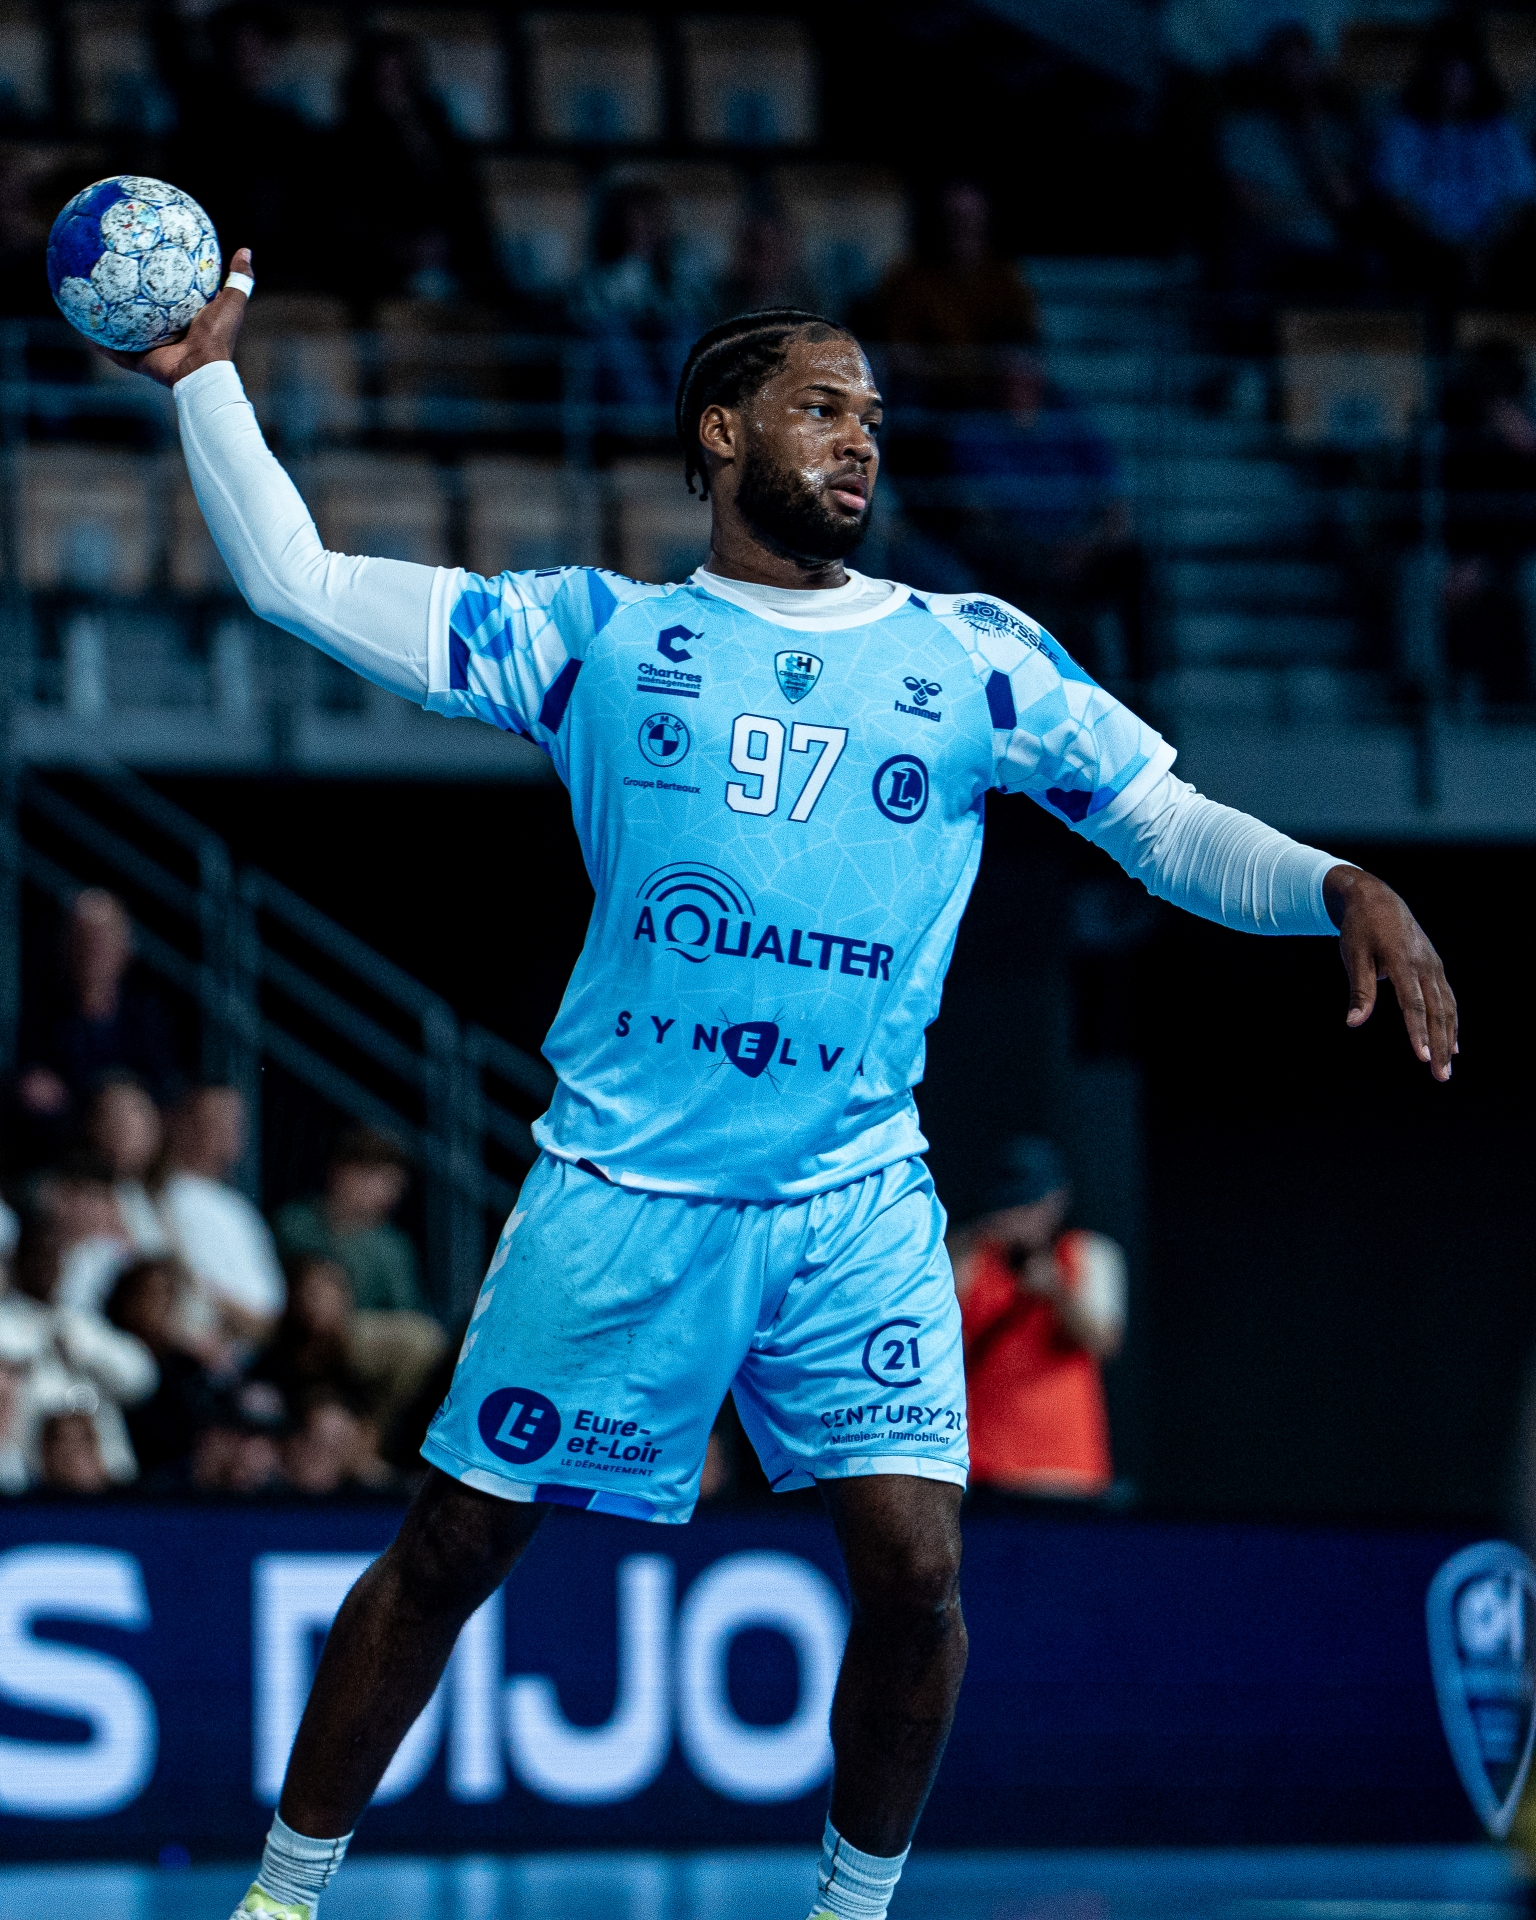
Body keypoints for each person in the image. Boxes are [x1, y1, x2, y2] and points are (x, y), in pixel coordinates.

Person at [116, 261, 1456, 1920]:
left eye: (872, 417)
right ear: (721, 429)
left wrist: (1335, 883)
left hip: (852, 1196)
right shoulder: (599, 637)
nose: (859, 441)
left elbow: (1162, 820)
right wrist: (206, 380)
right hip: (626, 1189)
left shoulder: (970, 655)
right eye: (822, 408)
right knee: (451, 1553)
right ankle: (281, 1897)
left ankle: (848, 1912)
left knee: (918, 1570)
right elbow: (300, 581)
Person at [950, 1138, 1124, 1497]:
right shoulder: (969, 1256)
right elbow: (939, 1351)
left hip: (1063, 1469)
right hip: (978, 1468)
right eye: (1009, 1205)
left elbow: (1104, 1342)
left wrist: (1056, 1293)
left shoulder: (1087, 1253)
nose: (1018, 1217)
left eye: (1030, 1204)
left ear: (1056, 1201)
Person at [1373, 18, 1536, 308]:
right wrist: (1450, 246)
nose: (1455, 85)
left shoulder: (1499, 128)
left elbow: (1521, 198)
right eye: (1448, 74)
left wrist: (1486, 246)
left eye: (1464, 76)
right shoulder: (1404, 128)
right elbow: (1398, 201)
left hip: (1496, 249)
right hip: (1428, 248)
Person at [15, 891, 181, 1145]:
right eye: (83, 939)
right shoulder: (43, 1013)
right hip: (69, 1137)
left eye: (103, 939)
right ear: (66, 946)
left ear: (124, 948)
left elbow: (164, 1087)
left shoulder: (147, 1014)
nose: (93, 950)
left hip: (136, 1134)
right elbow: (35, 1082)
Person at [1217, 24, 1364, 295]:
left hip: (1327, 251)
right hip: (1268, 248)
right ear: (1270, 71)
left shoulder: (1337, 131)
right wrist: (1314, 207)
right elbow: (1248, 205)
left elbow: (1345, 202)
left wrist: (1313, 136)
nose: (1294, 77)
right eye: (1286, 67)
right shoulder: (1241, 130)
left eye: (1302, 67)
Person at [159, 1084, 286, 1342]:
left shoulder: (240, 1208)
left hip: (251, 1345)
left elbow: (270, 1310)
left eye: (233, 1124)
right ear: (182, 1123)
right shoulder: (162, 1194)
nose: (226, 1132)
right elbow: (185, 1282)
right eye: (213, 1122)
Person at [274, 1127, 428, 1316]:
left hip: (365, 1331)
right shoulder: (293, 1224)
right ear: (342, 1171)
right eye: (380, 1179)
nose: (389, 1195)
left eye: (395, 1185)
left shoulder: (392, 1247)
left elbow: (408, 1317)